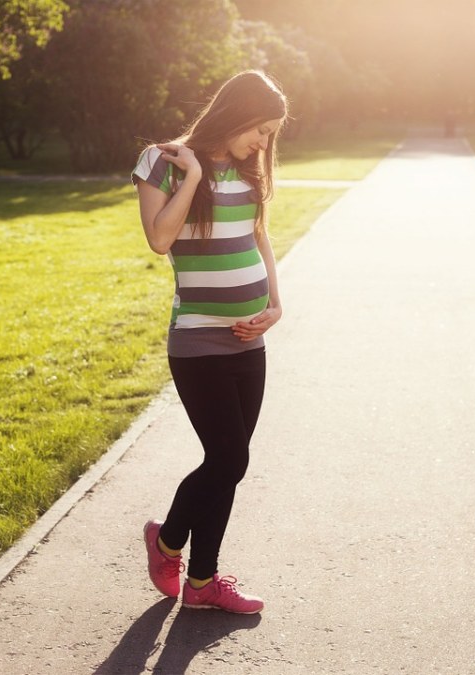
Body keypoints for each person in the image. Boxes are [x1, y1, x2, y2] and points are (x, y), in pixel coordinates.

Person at [131, 70, 288, 614]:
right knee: (227, 456)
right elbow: (159, 239)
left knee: (231, 462)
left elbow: (258, 234)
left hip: (249, 339)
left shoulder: (250, 170)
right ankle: (168, 543)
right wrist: (195, 176)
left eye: (271, 134)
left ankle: (199, 582)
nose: (264, 143)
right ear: (238, 112)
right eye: (261, 130)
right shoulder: (164, 161)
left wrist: (274, 304)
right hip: (198, 340)